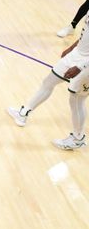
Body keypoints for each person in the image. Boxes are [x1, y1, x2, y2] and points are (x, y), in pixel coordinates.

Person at [8, 18, 89, 150]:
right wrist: (71, 48)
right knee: (49, 82)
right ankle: (23, 113)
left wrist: (80, 67)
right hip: (76, 54)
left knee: (76, 100)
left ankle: (77, 139)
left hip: (86, 65)